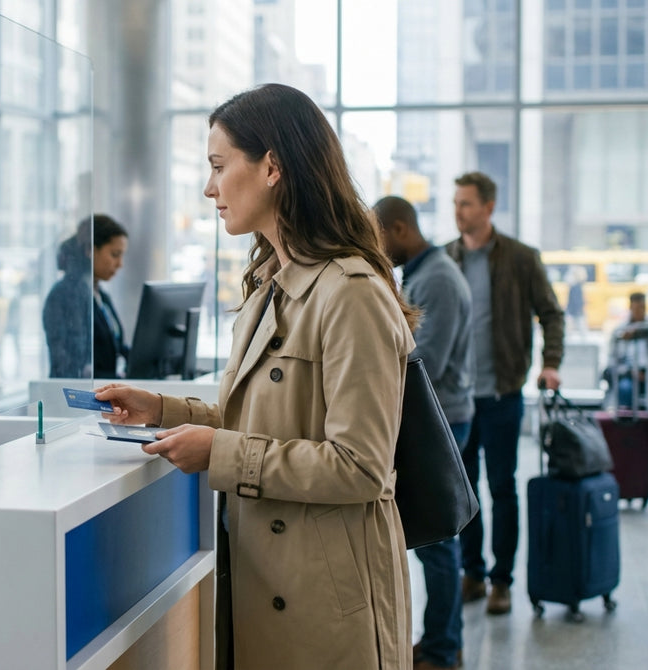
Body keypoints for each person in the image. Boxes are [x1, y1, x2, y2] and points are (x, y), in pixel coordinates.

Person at [96, 83, 417, 670]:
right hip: (269, 582)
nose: (209, 187)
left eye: (219, 166)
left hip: (326, 603)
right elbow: (264, 421)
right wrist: (164, 410)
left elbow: (362, 466)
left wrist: (219, 452)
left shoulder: (351, 294)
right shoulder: (271, 284)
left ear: (272, 166)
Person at [444, 171, 565, 616]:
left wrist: (550, 363)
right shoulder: (446, 259)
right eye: (456, 203)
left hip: (502, 396)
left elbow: (551, 314)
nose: (459, 211)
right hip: (456, 401)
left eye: (467, 204)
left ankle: (502, 581)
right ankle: (472, 574)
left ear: (489, 207)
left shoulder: (519, 258)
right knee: (463, 490)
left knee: (502, 488)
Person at [375, 196, 472, 670]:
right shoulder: (429, 271)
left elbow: (422, 363)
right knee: (436, 541)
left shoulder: (439, 279)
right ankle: (439, 640)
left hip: (445, 417)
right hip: (447, 414)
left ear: (398, 229)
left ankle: (441, 648)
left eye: (379, 236)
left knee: (437, 539)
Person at [42, 214, 130, 379]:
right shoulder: (65, 296)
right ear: (91, 250)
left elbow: (114, 346)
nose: (120, 264)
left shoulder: (99, 294)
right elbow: (73, 367)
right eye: (114, 254)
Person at [604, 292, 648, 408]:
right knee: (625, 389)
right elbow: (613, 359)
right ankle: (626, 422)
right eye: (636, 308)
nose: (639, 312)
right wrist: (631, 372)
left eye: (642, 308)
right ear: (630, 308)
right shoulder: (621, 330)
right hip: (629, 373)